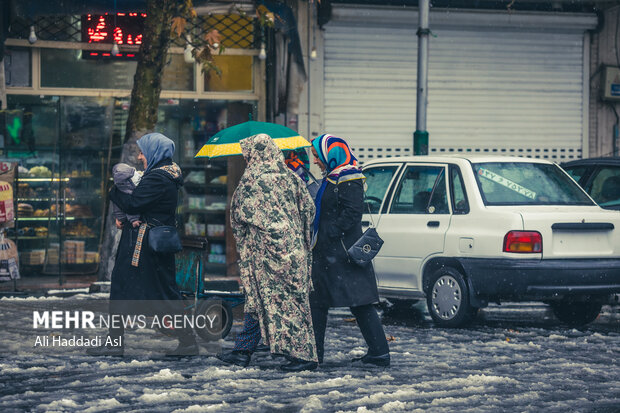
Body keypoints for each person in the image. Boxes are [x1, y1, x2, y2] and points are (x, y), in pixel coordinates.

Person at [87, 133, 198, 357]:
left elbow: (134, 202)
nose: (140, 157)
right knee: (158, 292)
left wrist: (113, 191)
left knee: (152, 293)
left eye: (143, 152)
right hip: (148, 244)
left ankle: (186, 341)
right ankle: (117, 342)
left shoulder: (157, 177)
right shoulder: (167, 174)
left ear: (154, 153)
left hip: (144, 246)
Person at [225, 134, 318, 372]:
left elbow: (238, 214)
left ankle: (303, 357)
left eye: (247, 155)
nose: (246, 160)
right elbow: (309, 208)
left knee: (269, 300)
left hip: (266, 255)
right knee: (288, 303)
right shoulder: (290, 177)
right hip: (294, 251)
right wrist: (294, 231)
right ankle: (242, 351)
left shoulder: (252, 180)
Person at [309, 133, 390, 367]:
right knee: (321, 302)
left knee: (358, 303)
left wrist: (329, 232)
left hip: (342, 253)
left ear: (330, 154)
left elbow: (353, 213)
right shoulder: (333, 176)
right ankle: (316, 354)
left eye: (317, 156)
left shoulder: (349, 177)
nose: (315, 161)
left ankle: (378, 353)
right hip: (328, 252)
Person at [111, 163, 143, 228]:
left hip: (124, 220)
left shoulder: (115, 191)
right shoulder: (128, 188)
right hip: (132, 222)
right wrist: (134, 219)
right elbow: (129, 206)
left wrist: (120, 218)